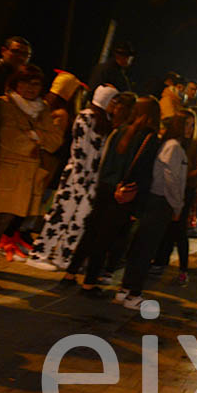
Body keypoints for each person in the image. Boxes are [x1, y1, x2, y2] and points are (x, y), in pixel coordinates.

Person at [63, 97, 161, 296]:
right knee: (105, 238)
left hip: (105, 187)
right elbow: (143, 169)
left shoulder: (120, 131)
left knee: (92, 230)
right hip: (124, 192)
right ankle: (89, 283)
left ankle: (70, 273)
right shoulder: (149, 138)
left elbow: (106, 160)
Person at [27, 85, 119, 271]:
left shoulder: (106, 121)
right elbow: (79, 149)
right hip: (76, 176)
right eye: (113, 101)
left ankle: (65, 256)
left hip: (92, 179)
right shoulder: (85, 116)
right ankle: (39, 253)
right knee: (60, 215)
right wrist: (79, 177)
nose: (115, 105)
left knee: (80, 220)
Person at [115, 114, 188, 309]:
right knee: (146, 249)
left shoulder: (166, 145)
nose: (190, 129)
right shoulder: (173, 147)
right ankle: (133, 294)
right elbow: (172, 179)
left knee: (140, 245)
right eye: (187, 125)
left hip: (154, 200)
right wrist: (177, 204)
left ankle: (125, 289)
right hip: (161, 201)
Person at [0, 65, 63, 244]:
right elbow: (9, 138)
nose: (30, 88)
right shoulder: (4, 104)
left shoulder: (43, 108)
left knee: (4, 223)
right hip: (4, 173)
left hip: (26, 177)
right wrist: (39, 140)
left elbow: (56, 140)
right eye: (25, 83)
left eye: (35, 84)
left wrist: (34, 135)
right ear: (16, 83)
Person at [152, 109, 197, 283]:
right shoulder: (177, 143)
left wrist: (181, 177)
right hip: (173, 189)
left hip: (185, 191)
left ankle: (182, 268)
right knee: (168, 228)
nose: (189, 128)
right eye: (186, 124)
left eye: (192, 125)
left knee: (179, 230)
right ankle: (160, 262)